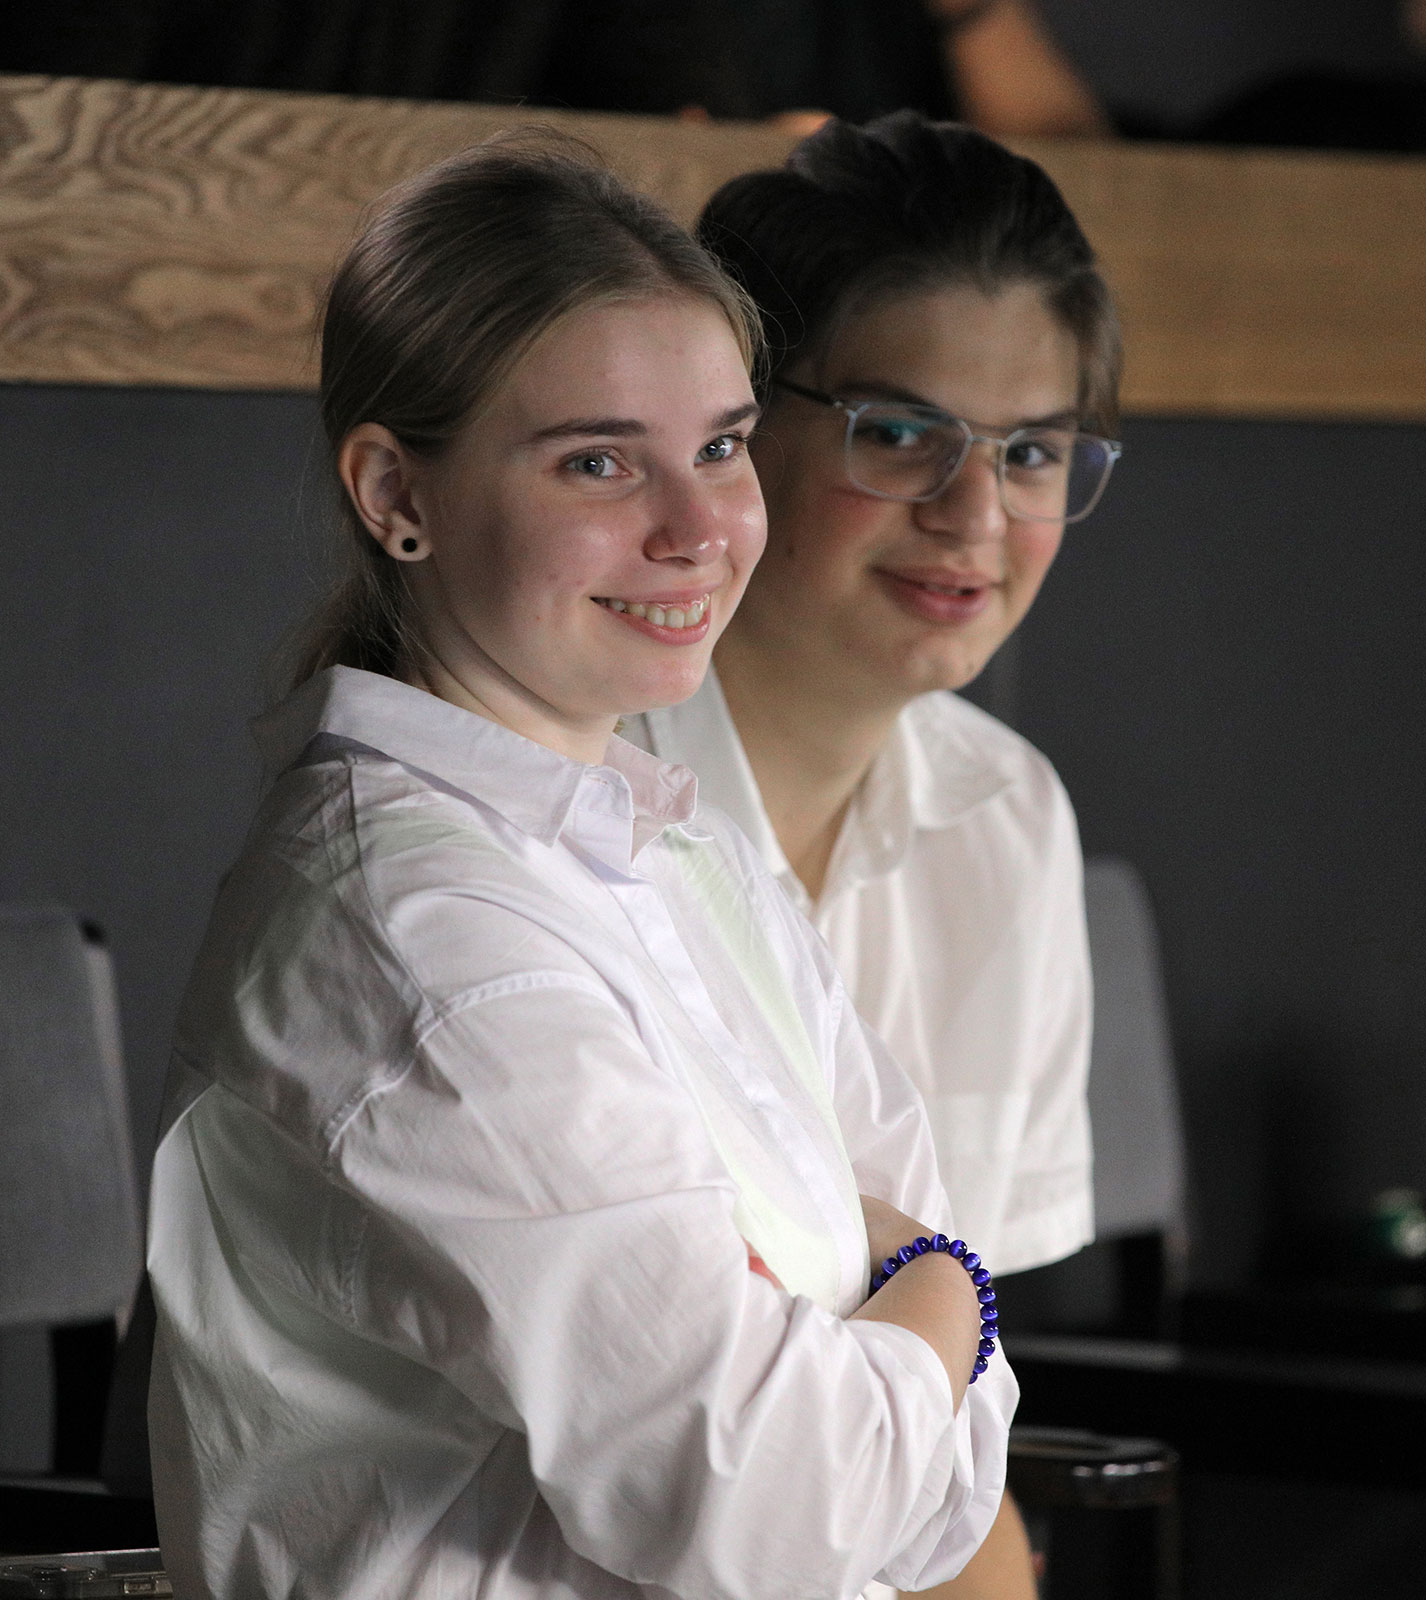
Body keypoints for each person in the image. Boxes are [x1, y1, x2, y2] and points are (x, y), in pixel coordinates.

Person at [145, 136, 1014, 1600]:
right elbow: (775, 1512)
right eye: (599, 462)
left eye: (723, 447)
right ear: (396, 493)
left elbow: (933, 1500)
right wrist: (945, 1282)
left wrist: (886, 1350)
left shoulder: (679, 852)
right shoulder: (423, 938)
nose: (700, 531)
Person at [622, 112, 1122, 1599]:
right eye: (900, 434)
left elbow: (939, 1427)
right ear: (735, 433)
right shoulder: (555, 801)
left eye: (1031, 452)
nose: (976, 515)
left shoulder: (1007, 817)